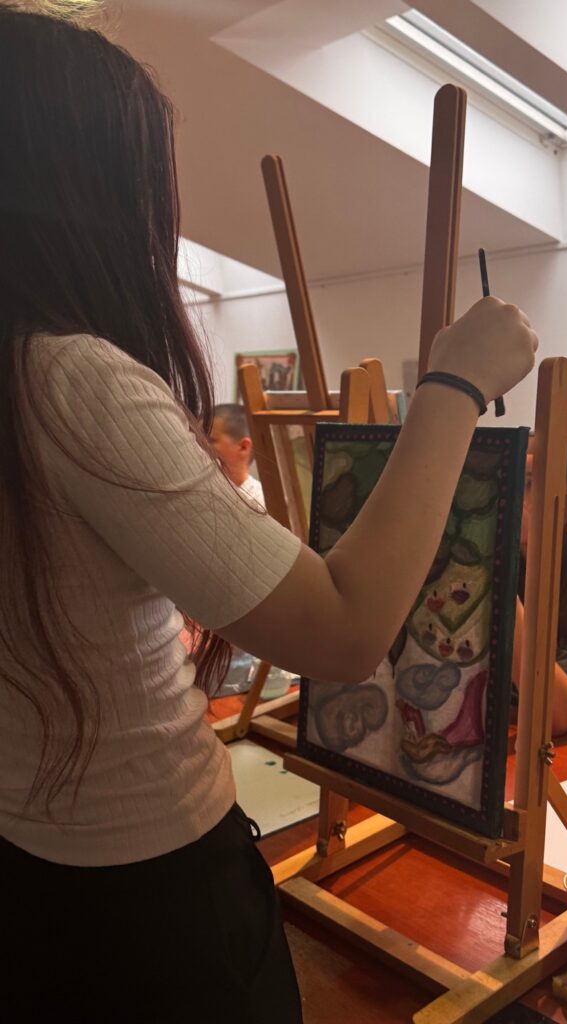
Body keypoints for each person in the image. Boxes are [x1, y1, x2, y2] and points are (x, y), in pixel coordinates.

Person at [0, 6, 537, 1023]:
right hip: (145, 895)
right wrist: (455, 384)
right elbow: (342, 633)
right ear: (85, 188)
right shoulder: (68, 377)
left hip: (37, 860)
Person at [512, 436, 567, 735]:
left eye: (529, 483)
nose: (512, 495)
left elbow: (557, 714)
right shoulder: (511, 559)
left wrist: (495, 591)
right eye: (508, 479)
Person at [211, 402, 265, 506]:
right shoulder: (197, 492)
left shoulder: (261, 503)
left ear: (244, 447)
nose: (199, 445)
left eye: (211, 440)